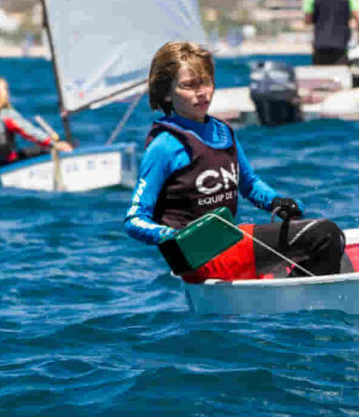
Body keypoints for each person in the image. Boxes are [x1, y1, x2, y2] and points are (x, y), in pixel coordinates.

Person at [124, 41, 345, 281]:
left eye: (206, 82)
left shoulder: (223, 131)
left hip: (231, 246)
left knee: (324, 238)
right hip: (201, 258)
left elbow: (248, 184)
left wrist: (276, 201)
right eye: (188, 86)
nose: (201, 92)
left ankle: (294, 295)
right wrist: (175, 236)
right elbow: (135, 219)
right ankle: (308, 304)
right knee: (325, 234)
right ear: (166, 92)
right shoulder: (164, 146)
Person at [0, 76, 72, 177]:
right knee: (47, 150)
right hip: (6, 162)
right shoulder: (6, 113)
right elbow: (29, 132)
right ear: (3, 94)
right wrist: (54, 144)